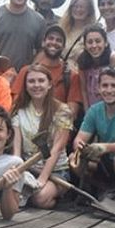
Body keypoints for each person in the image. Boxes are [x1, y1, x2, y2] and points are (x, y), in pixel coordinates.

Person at [72, 67, 115, 200]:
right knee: (74, 160)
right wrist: (83, 148)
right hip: (104, 161)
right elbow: (79, 139)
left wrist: (104, 147)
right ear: (98, 88)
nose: (109, 90)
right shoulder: (94, 110)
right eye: (105, 85)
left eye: (114, 86)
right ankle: (108, 189)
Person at [11, 64, 73, 209]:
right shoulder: (18, 110)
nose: (36, 85)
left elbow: (57, 149)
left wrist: (42, 179)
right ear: (25, 85)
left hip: (56, 171)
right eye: (31, 81)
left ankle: (55, 196)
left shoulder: (62, 111)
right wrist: (17, 171)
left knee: (40, 198)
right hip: (29, 169)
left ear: (49, 84)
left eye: (41, 81)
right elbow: (16, 150)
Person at [11, 25, 83, 120]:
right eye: (50, 38)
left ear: (64, 46)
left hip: (57, 127)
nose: (54, 42)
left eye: (59, 40)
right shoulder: (26, 71)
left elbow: (71, 113)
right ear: (43, 43)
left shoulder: (71, 76)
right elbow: (16, 105)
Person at [77, 25, 115, 110]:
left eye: (98, 41)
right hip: (93, 107)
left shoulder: (113, 58)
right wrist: (87, 111)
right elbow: (83, 90)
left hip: (114, 105)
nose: (94, 45)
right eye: (90, 42)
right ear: (85, 45)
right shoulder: (82, 60)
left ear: (105, 43)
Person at [58, 0, 97, 67]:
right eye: (75, 6)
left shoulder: (92, 33)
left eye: (82, 7)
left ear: (89, 11)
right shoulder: (61, 29)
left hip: (80, 75)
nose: (78, 9)